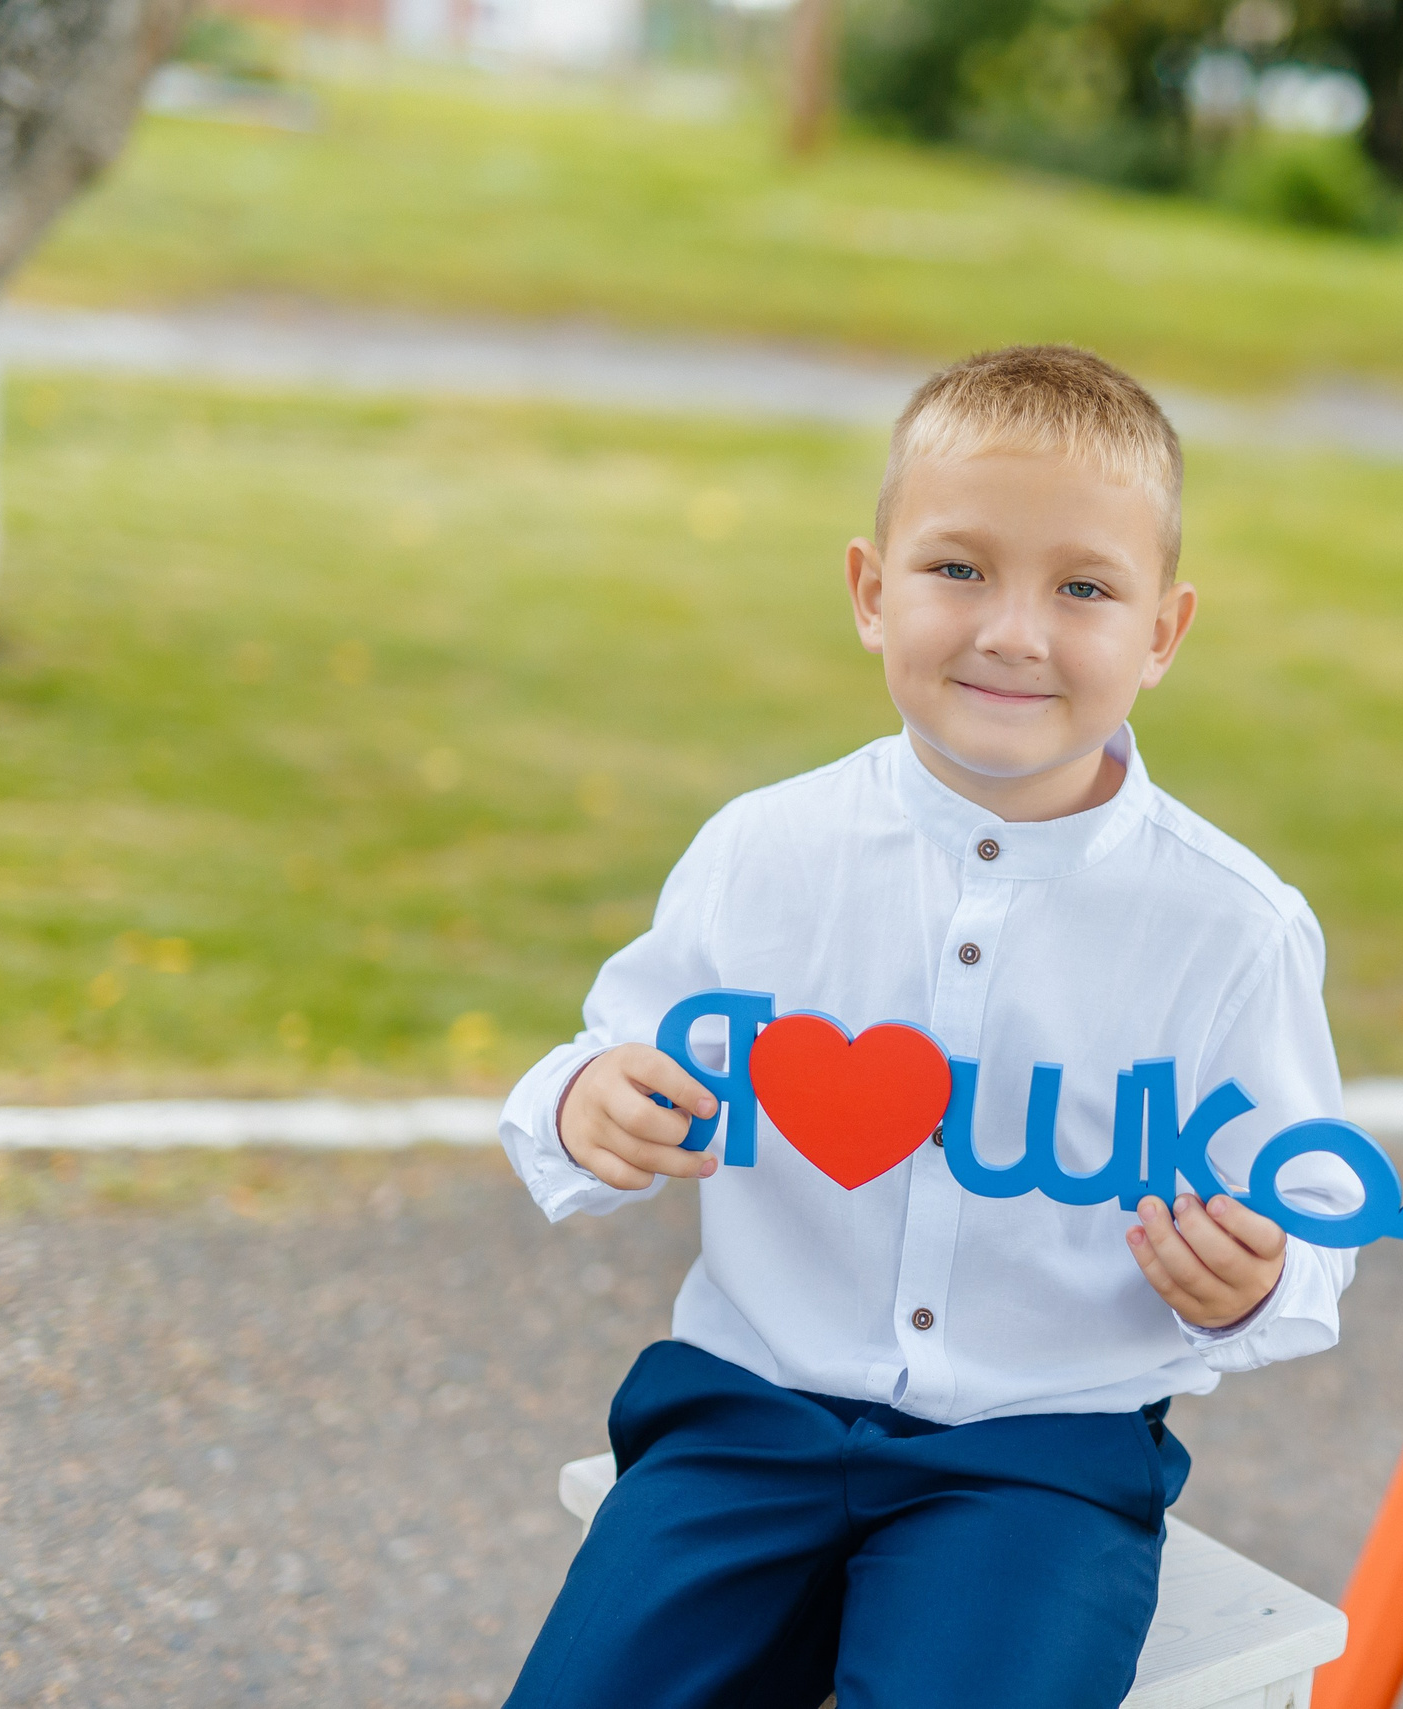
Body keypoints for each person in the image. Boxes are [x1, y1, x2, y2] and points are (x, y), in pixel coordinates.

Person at [498, 345, 1359, 1709]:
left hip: (1038, 1460)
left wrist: (1261, 1278)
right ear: (870, 590)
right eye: (958, 568)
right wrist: (585, 1100)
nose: (1014, 631)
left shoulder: (1231, 928)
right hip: (745, 1414)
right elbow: (613, 1056)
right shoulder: (761, 852)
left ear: (1162, 633)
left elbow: (1315, 1208)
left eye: (1084, 588)